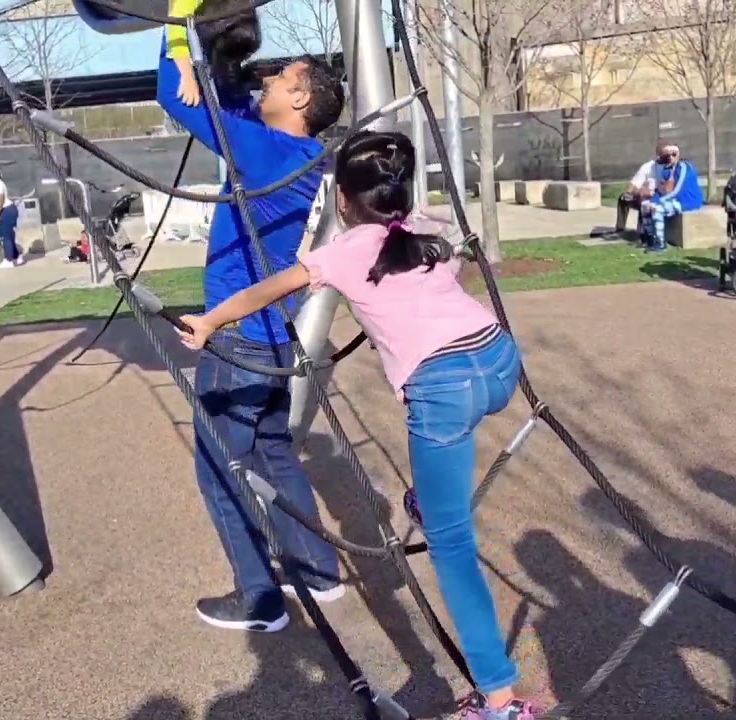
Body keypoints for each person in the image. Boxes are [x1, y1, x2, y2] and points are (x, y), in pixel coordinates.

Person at [177, 130, 540, 720]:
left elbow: (267, 291)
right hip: (499, 361)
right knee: (450, 442)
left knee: (451, 547)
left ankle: (500, 700)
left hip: (444, 389)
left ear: (342, 200)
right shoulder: (425, 230)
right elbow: (443, 283)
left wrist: (210, 322)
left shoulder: (343, 251)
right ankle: (432, 495)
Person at [156, 28, 349, 631]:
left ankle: (258, 600)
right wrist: (223, 63)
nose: (270, 78)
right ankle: (318, 570)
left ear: (301, 100)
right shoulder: (303, 155)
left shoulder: (266, 153)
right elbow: (234, 109)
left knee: (219, 469)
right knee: (273, 452)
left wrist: (174, 24)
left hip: (237, 341)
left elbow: (171, 94)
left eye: (283, 78)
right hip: (273, 340)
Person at [641, 140, 705, 253]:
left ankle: (661, 244)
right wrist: (654, 200)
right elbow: (663, 190)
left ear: (678, 154)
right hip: (675, 199)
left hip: (688, 201)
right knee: (645, 206)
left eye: (673, 154)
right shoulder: (667, 170)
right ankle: (650, 239)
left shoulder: (685, 167)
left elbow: (677, 190)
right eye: (667, 156)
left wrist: (659, 202)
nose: (670, 157)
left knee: (657, 209)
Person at [614, 155, 661, 235]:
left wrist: (651, 193)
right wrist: (631, 192)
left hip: (657, 197)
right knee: (623, 198)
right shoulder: (647, 166)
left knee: (645, 203)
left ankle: (641, 232)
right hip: (644, 196)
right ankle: (620, 230)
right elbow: (635, 183)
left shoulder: (667, 169)